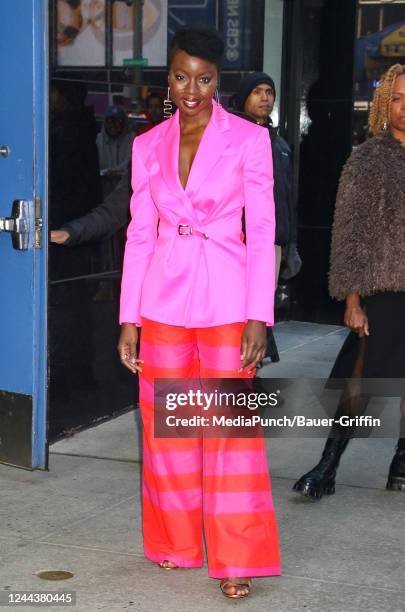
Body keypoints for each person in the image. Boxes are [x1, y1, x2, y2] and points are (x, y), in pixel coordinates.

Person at [117, 26, 281, 599]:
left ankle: (237, 557)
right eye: (182, 77)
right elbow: (140, 234)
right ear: (169, 77)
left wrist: (259, 313)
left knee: (230, 435)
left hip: (228, 302)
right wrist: (128, 318)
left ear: (220, 80)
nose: (192, 89)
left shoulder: (248, 139)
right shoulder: (146, 145)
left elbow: (261, 231)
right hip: (161, 302)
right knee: (168, 430)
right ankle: (177, 541)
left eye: (205, 78)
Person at [293, 64, 405, 500]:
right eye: (395, 97)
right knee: (356, 382)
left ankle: (401, 457)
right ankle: (328, 464)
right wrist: (352, 298)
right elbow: (349, 233)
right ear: (382, 104)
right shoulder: (367, 159)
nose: (403, 107)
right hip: (381, 289)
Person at [234, 72, 301, 361]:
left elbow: (286, 199)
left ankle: (250, 374)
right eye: (257, 91)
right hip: (239, 240)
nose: (265, 97)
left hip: (272, 242)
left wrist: (289, 244)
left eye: (269, 91)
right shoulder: (232, 139)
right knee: (239, 311)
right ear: (243, 97)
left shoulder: (280, 144)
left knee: (261, 311)